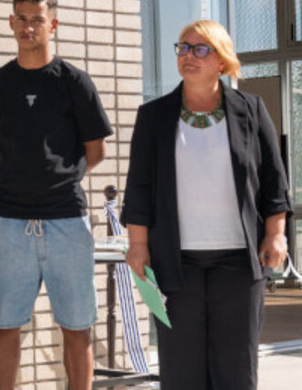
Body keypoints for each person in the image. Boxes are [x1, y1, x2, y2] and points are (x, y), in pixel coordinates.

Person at [122, 20, 291, 390]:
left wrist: (276, 234)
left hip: (238, 263)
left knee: (236, 367)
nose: (188, 56)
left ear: (222, 61)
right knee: (181, 368)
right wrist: (137, 245)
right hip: (175, 263)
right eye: (183, 47)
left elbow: (274, 180)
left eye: (201, 49)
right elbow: (139, 187)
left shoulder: (251, 108)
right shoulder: (153, 117)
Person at [0, 0, 112, 390]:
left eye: (37, 19)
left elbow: (96, 150)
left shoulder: (74, 82)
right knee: (5, 325)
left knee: (76, 325)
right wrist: (23, 182)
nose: (28, 27)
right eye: (21, 18)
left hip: (67, 220)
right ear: (10, 23)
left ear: (52, 24)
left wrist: (57, 180)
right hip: (7, 222)